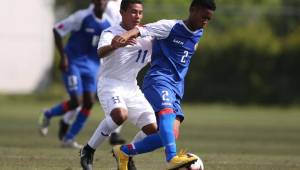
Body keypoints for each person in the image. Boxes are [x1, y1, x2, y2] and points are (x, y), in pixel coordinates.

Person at [110, 0, 216, 169]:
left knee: (170, 134)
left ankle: (124, 151)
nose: (205, 22)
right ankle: (172, 157)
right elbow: (141, 30)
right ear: (192, 10)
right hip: (159, 80)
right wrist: (124, 36)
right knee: (166, 113)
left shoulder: (198, 32)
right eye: (203, 17)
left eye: (208, 19)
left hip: (176, 88)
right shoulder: (169, 27)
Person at [79, 0, 158, 169]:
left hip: (131, 87)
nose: (137, 16)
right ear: (122, 12)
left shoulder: (148, 36)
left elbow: (155, 60)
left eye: (140, 12)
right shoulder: (110, 32)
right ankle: (88, 150)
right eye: (133, 12)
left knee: (154, 129)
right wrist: (114, 45)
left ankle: (126, 153)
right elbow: (100, 52)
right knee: (119, 115)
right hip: (110, 84)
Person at [38, 0, 112, 149]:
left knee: (89, 102)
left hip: (92, 67)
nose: (101, 2)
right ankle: (48, 114)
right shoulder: (81, 17)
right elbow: (57, 30)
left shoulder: (108, 24)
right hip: (73, 63)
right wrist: (63, 56)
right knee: (76, 101)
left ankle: (69, 139)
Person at [57, 0, 126, 146]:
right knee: (79, 100)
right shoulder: (96, 11)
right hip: (96, 58)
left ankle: (114, 133)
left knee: (91, 101)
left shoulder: (122, 5)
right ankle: (65, 121)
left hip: (104, 61)